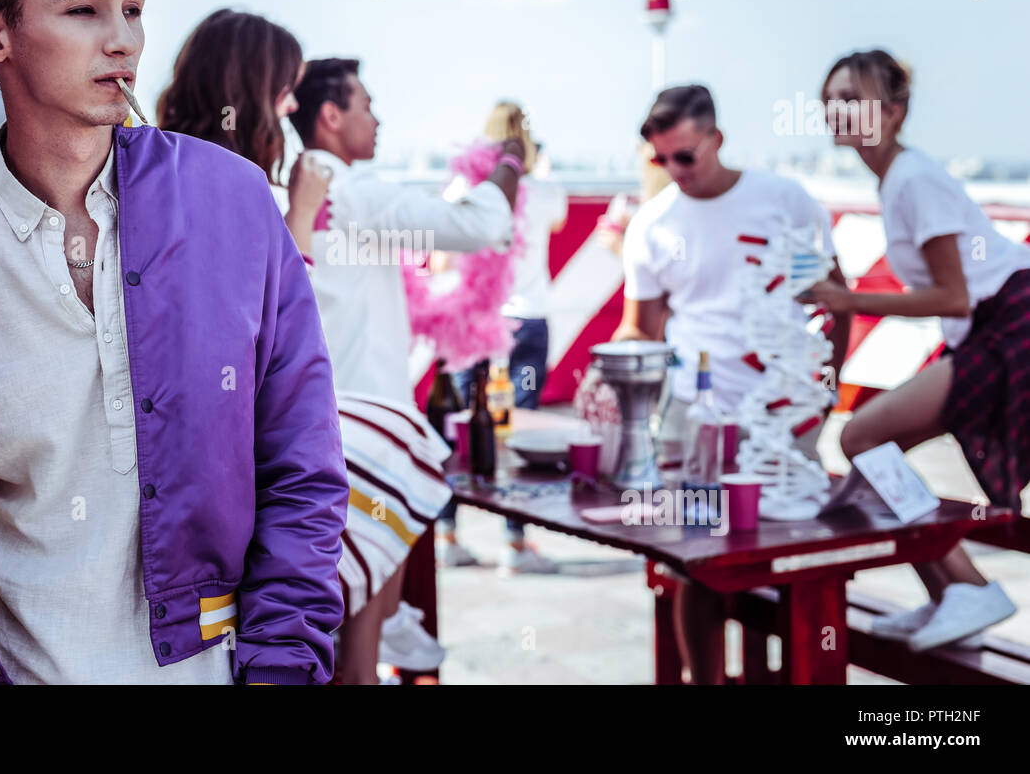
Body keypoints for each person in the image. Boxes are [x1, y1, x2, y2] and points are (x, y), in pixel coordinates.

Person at [0, 0, 348, 685]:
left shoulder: (232, 203)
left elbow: (301, 463)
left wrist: (283, 668)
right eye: (83, 10)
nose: (122, 40)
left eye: (133, 9)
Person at [156, 10, 457, 683]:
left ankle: (368, 647)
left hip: (213, 429)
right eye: (285, 88)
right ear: (253, 90)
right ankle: (362, 656)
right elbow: (270, 319)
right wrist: (301, 209)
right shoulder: (237, 188)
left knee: (385, 451)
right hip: (228, 441)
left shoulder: (163, 168)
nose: (292, 105)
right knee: (389, 456)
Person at [286, 56, 528, 672]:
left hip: (313, 432)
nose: (379, 117)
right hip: (367, 444)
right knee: (359, 648)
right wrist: (509, 165)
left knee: (347, 634)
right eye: (367, 103)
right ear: (332, 116)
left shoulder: (296, 190)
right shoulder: (357, 193)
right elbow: (475, 225)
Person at [614, 84, 852, 684]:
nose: (672, 170)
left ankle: (783, 675)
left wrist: (823, 394)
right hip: (693, 420)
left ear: (716, 140)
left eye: (684, 156)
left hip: (779, 415)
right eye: (659, 159)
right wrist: (609, 372)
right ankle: (709, 681)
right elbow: (640, 327)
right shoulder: (653, 222)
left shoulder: (784, 200)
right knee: (697, 559)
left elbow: (836, 300)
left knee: (786, 553)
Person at [799, 49, 1025, 651]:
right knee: (875, 452)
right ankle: (954, 592)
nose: (837, 111)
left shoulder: (912, 179)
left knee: (860, 438)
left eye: (853, 98)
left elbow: (952, 295)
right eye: (831, 100)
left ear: (895, 111)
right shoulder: (900, 176)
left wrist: (848, 303)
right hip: (990, 328)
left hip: (1008, 325)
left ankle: (968, 589)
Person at [439, 101, 570, 575]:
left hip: (474, 322)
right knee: (518, 430)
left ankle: (446, 536)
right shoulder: (546, 191)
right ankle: (515, 543)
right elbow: (554, 221)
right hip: (528, 321)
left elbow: (441, 261)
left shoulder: (464, 189)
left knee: (458, 429)